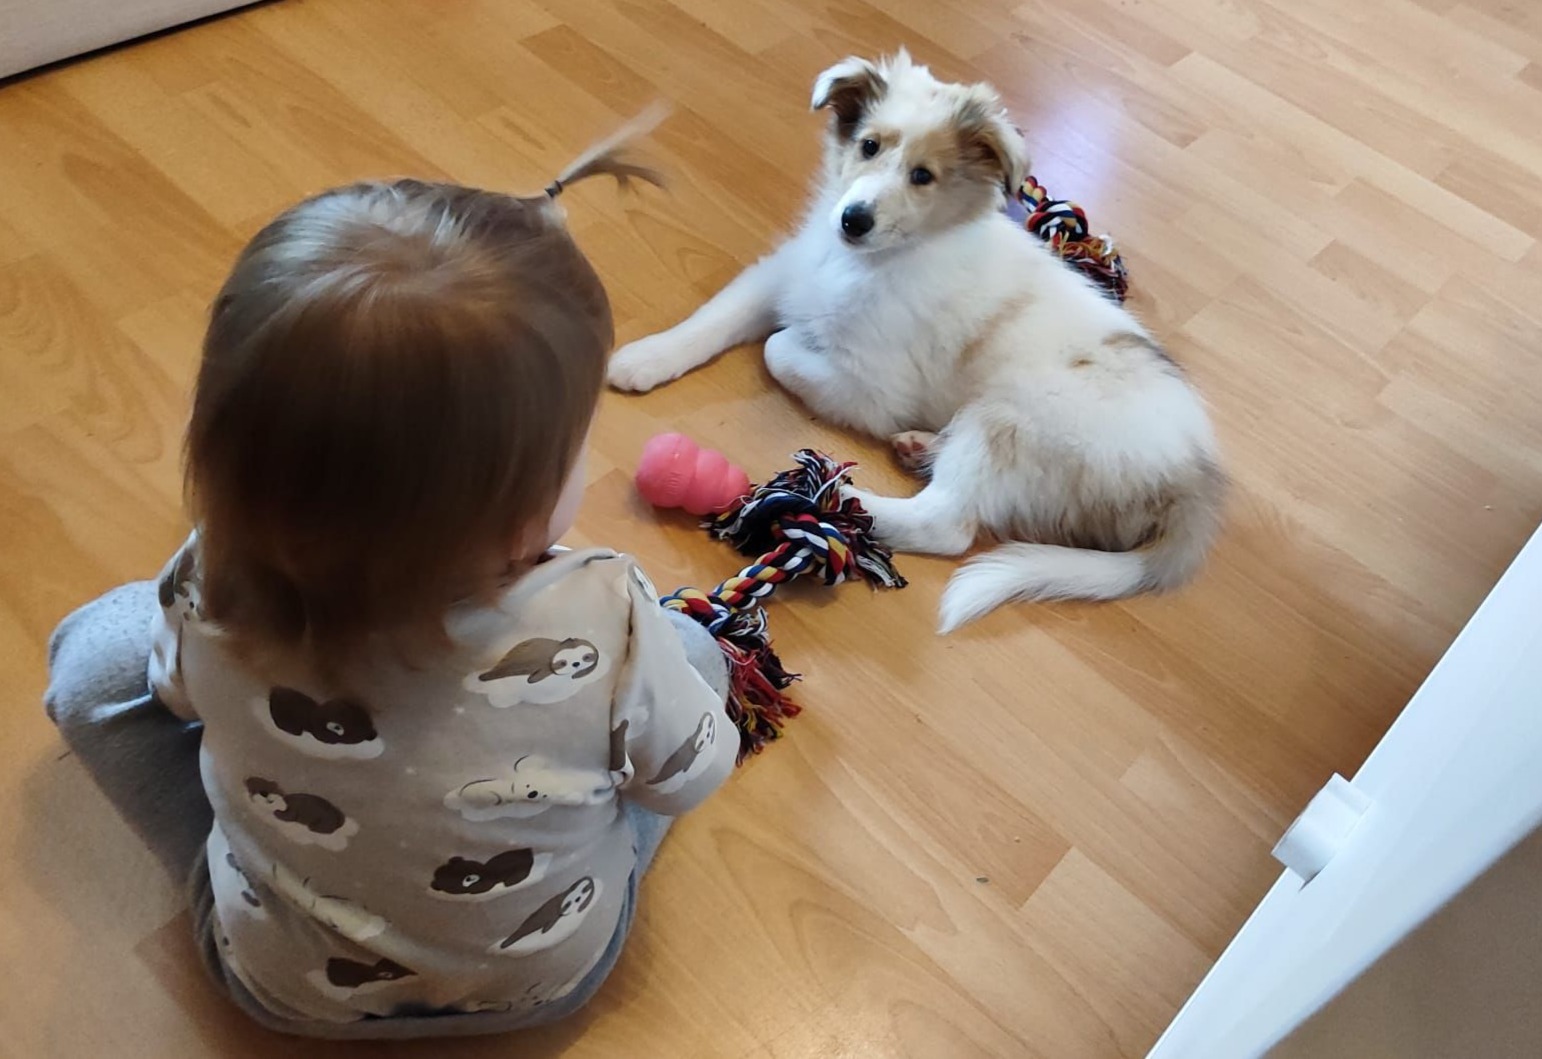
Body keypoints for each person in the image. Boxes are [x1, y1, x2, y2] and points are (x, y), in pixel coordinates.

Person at [43, 137, 738, 1039]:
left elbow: (173, 694)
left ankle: (267, 867)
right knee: (693, 651)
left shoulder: (213, 580)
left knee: (93, 658)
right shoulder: (609, 616)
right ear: (519, 515)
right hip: (549, 977)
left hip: (285, 991)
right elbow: (689, 776)